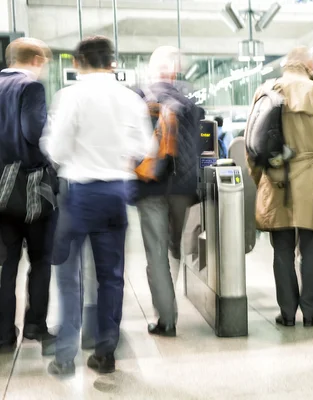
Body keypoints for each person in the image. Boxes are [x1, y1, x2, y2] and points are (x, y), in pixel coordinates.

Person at [43, 36, 153, 376]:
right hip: (115, 195)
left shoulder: (71, 95)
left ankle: (65, 357)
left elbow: (57, 150)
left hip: (78, 196)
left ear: (77, 62)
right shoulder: (130, 98)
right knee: (111, 278)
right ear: (112, 63)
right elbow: (146, 147)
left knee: (68, 278)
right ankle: (106, 353)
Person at [247, 46, 313, 327]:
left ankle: (286, 313)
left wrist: (262, 179)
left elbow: (252, 142)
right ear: (310, 65)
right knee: (310, 250)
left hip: (276, 177)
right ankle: (310, 312)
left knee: (281, 251)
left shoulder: (264, 92)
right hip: (311, 179)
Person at [134, 46, 203, 338]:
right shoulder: (190, 104)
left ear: (152, 70)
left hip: (150, 185)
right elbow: (201, 151)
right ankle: (170, 300)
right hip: (183, 191)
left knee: (156, 254)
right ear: (174, 72)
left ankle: (167, 318)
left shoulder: (140, 98)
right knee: (175, 248)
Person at [0, 38, 57, 355]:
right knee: (40, 259)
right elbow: (33, 133)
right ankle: (36, 325)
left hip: (0, 192)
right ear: (36, 59)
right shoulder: (30, 88)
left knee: (6, 265)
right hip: (31, 190)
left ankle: (3, 332)